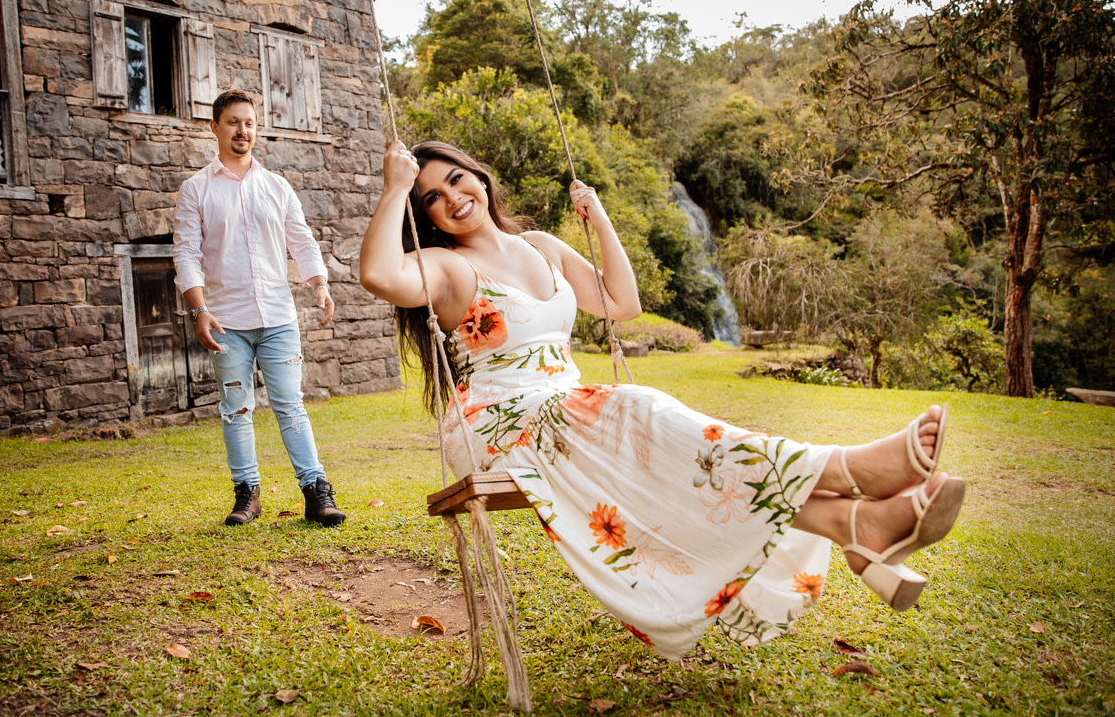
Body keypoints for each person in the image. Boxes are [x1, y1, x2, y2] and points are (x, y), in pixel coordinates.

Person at [360, 139, 966, 658]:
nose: (452, 198)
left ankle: (854, 522)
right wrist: (394, 190)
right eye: (431, 197)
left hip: (568, 409)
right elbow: (379, 277)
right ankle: (849, 470)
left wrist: (597, 219)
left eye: (456, 180)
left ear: (480, 178)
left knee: (647, 431)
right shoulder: (443, 265)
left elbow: (620, 304)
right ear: (428, 216)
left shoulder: (542, 245)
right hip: (497, 424)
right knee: (636, 409)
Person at [172, 89, 346, 528]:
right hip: (225, 322)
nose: (242, 131)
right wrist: (199, 311)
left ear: (256, 128)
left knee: (291, 406)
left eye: (248, 123)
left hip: (278, 318)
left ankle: (316, 492)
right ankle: (247, 494)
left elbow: (301, 241)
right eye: (233, 122)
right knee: (236, 409)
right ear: (214, 128)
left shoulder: (277, 186)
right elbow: (186, 254)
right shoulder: (196, 190)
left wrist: (319, 285)